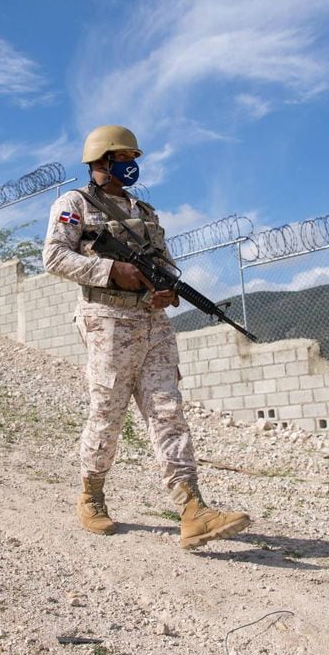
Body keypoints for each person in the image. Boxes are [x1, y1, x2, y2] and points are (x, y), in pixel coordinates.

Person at [42, 124, 250, 550]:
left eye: (133, 159)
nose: (131, 166)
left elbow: (166, 265)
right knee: (108, 412)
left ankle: (193, 510)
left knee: (168, 411)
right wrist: (109, 270)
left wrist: (169, 289)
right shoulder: (73, 204)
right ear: (102, 161)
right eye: (124, 158)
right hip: (107, 321)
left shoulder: (146, 212)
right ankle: (91, 495)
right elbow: (54, 256)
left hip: (153, 324)